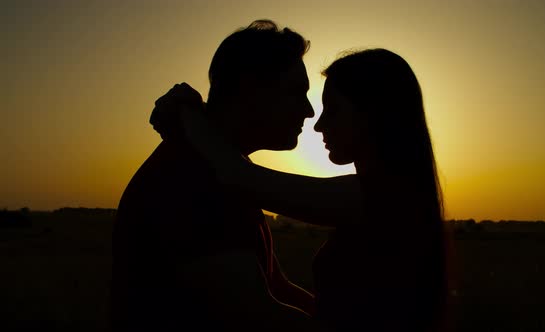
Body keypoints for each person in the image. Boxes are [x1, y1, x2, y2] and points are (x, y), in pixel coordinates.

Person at [155, 48, 454, 331]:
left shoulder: (383, 197)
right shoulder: (393, 193)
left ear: (373, 114)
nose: (318, 123)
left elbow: (239, 177)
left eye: (333, 111)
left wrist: (188, 114)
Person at [111, 20, 322, 332]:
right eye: (295, 92)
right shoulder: (192, 176)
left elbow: (277, 286)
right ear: (251, 91)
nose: (308, 110)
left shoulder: (227, 172)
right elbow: (259, 316)